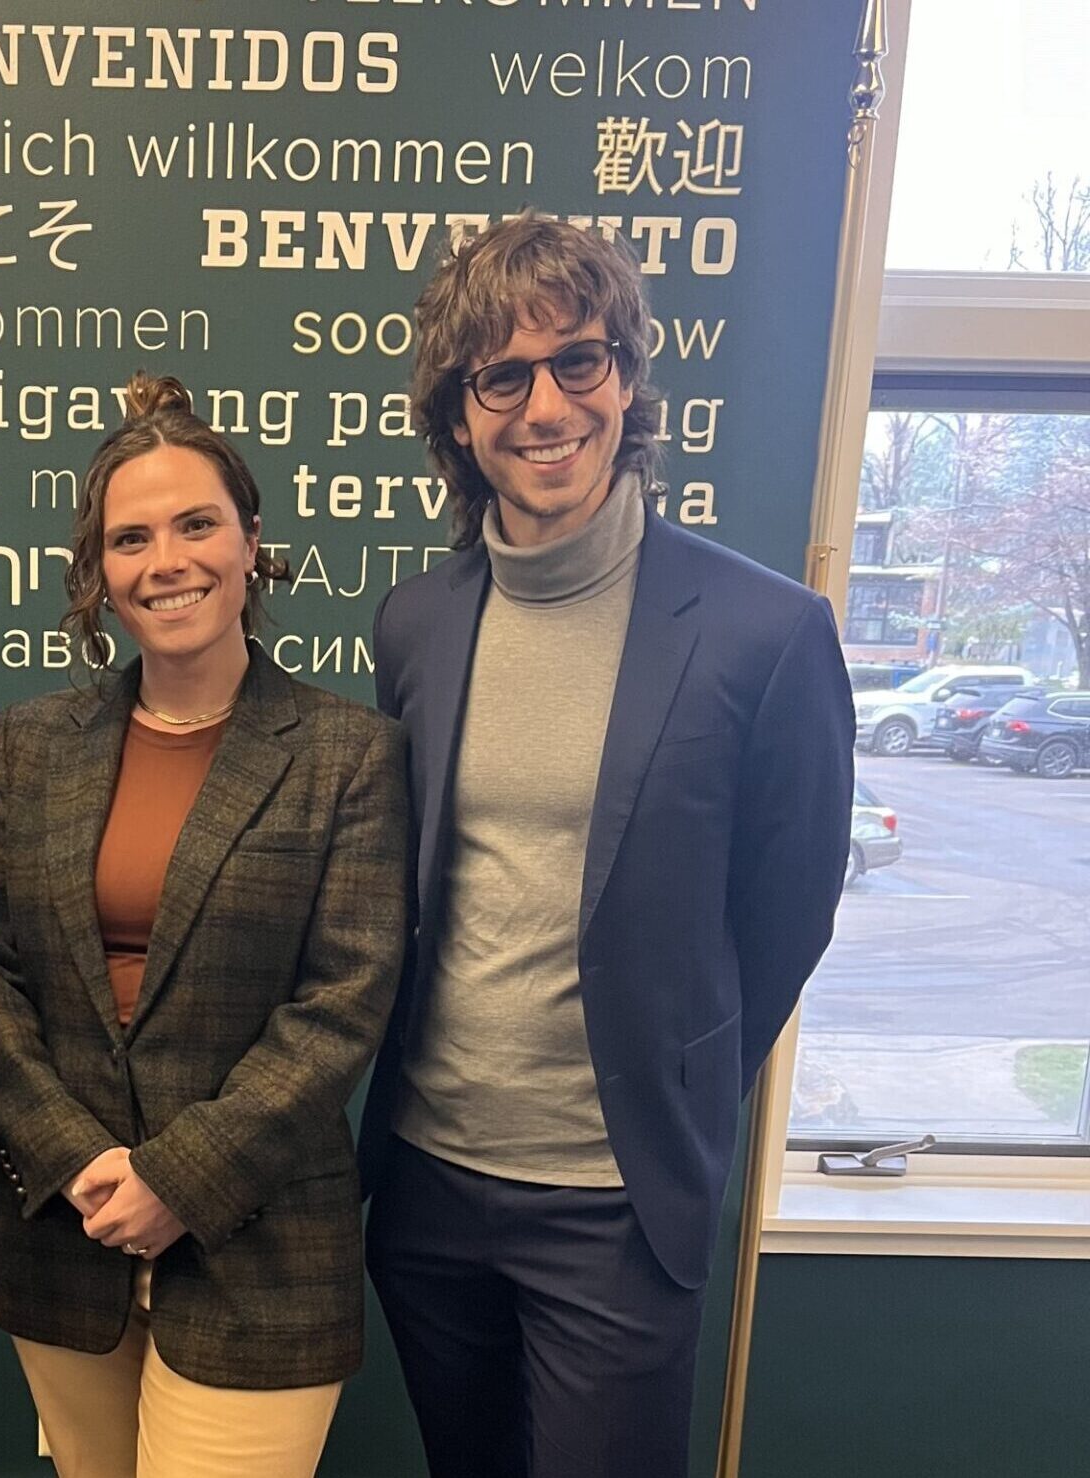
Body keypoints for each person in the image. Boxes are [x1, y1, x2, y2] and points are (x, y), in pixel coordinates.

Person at [360, 216, 855, 1477]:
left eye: (578, 360)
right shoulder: (415, 624)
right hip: (427, 1183)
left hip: (614, 1201)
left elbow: (786, 913)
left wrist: (676, 1084)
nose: (546, 405)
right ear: (460, 416)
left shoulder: (765, 631)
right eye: (502, 376)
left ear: (628, 378)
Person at [0, 373, 408, 1478]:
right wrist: (81, 1160)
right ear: (98, 574)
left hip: (262, 1249)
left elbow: (343, 1003)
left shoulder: (347, 753)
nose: (168, 561)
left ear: (252, 542)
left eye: (197, 524)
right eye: (131, 537)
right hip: (66, 1231)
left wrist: (179, 1179)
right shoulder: (32, 743)